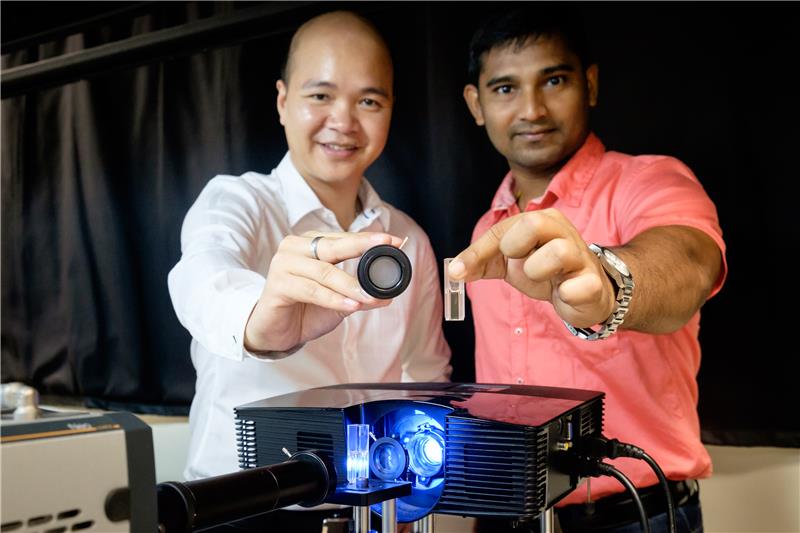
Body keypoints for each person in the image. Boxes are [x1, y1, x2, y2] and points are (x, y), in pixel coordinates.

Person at [167, 10, 451, 531]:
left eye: (369, 100)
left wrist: (412, 502)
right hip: (237, 510)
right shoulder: (237, 201)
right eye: (320, 96)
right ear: (282, 102)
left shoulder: (410, 239)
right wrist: (262, 322)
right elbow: (201, 275)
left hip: (369, 512)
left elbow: (425, 376)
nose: (343, 121)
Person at [448, 6, 726, 533]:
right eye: (505, 89)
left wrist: (607, 282)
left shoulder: (650, 182)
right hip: (510, 516)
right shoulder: (486, 226)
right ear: (475, 104)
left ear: (590, 85)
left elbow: (687, 264)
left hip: (634, 517)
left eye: (553, 80)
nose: (532, 109)